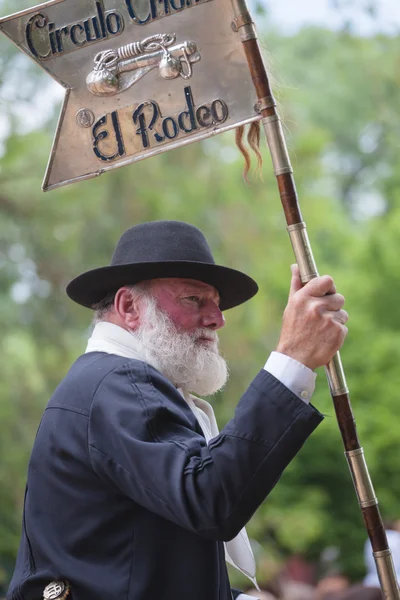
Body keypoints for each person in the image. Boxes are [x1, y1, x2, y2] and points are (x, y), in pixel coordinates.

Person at [7, 221, 348, 600]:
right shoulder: (116, 381)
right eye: (194, 300)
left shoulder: (109, 383)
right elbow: (210, 499)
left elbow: (150, 573)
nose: (217, 319)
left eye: (216, 304)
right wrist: (292, 360)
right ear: (129, 306)